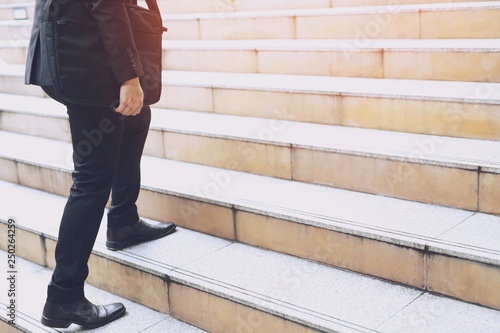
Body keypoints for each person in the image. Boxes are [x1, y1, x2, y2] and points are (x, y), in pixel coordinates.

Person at [24, 0, 176, 329]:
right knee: (91, 181)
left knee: (137, 118)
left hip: (67, 52)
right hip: (87, 62)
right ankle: (64, 297)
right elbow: (107, 6)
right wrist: (129, 76)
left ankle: (123, 220)